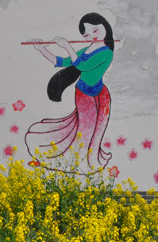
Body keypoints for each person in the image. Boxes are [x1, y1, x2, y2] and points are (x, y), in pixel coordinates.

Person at [25, 12, 115, 171]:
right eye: (87, 35)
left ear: (104, 26)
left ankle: (92, 158)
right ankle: (79, 162)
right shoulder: (85, 50)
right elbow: (63, 62)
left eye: (95, 30)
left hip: (102, 95)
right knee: (85, 129)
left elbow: (83, 66)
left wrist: (68, 46)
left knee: (96, 128)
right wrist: (41, 49)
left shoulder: (107, 52)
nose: (92, 36)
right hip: (84, 95)